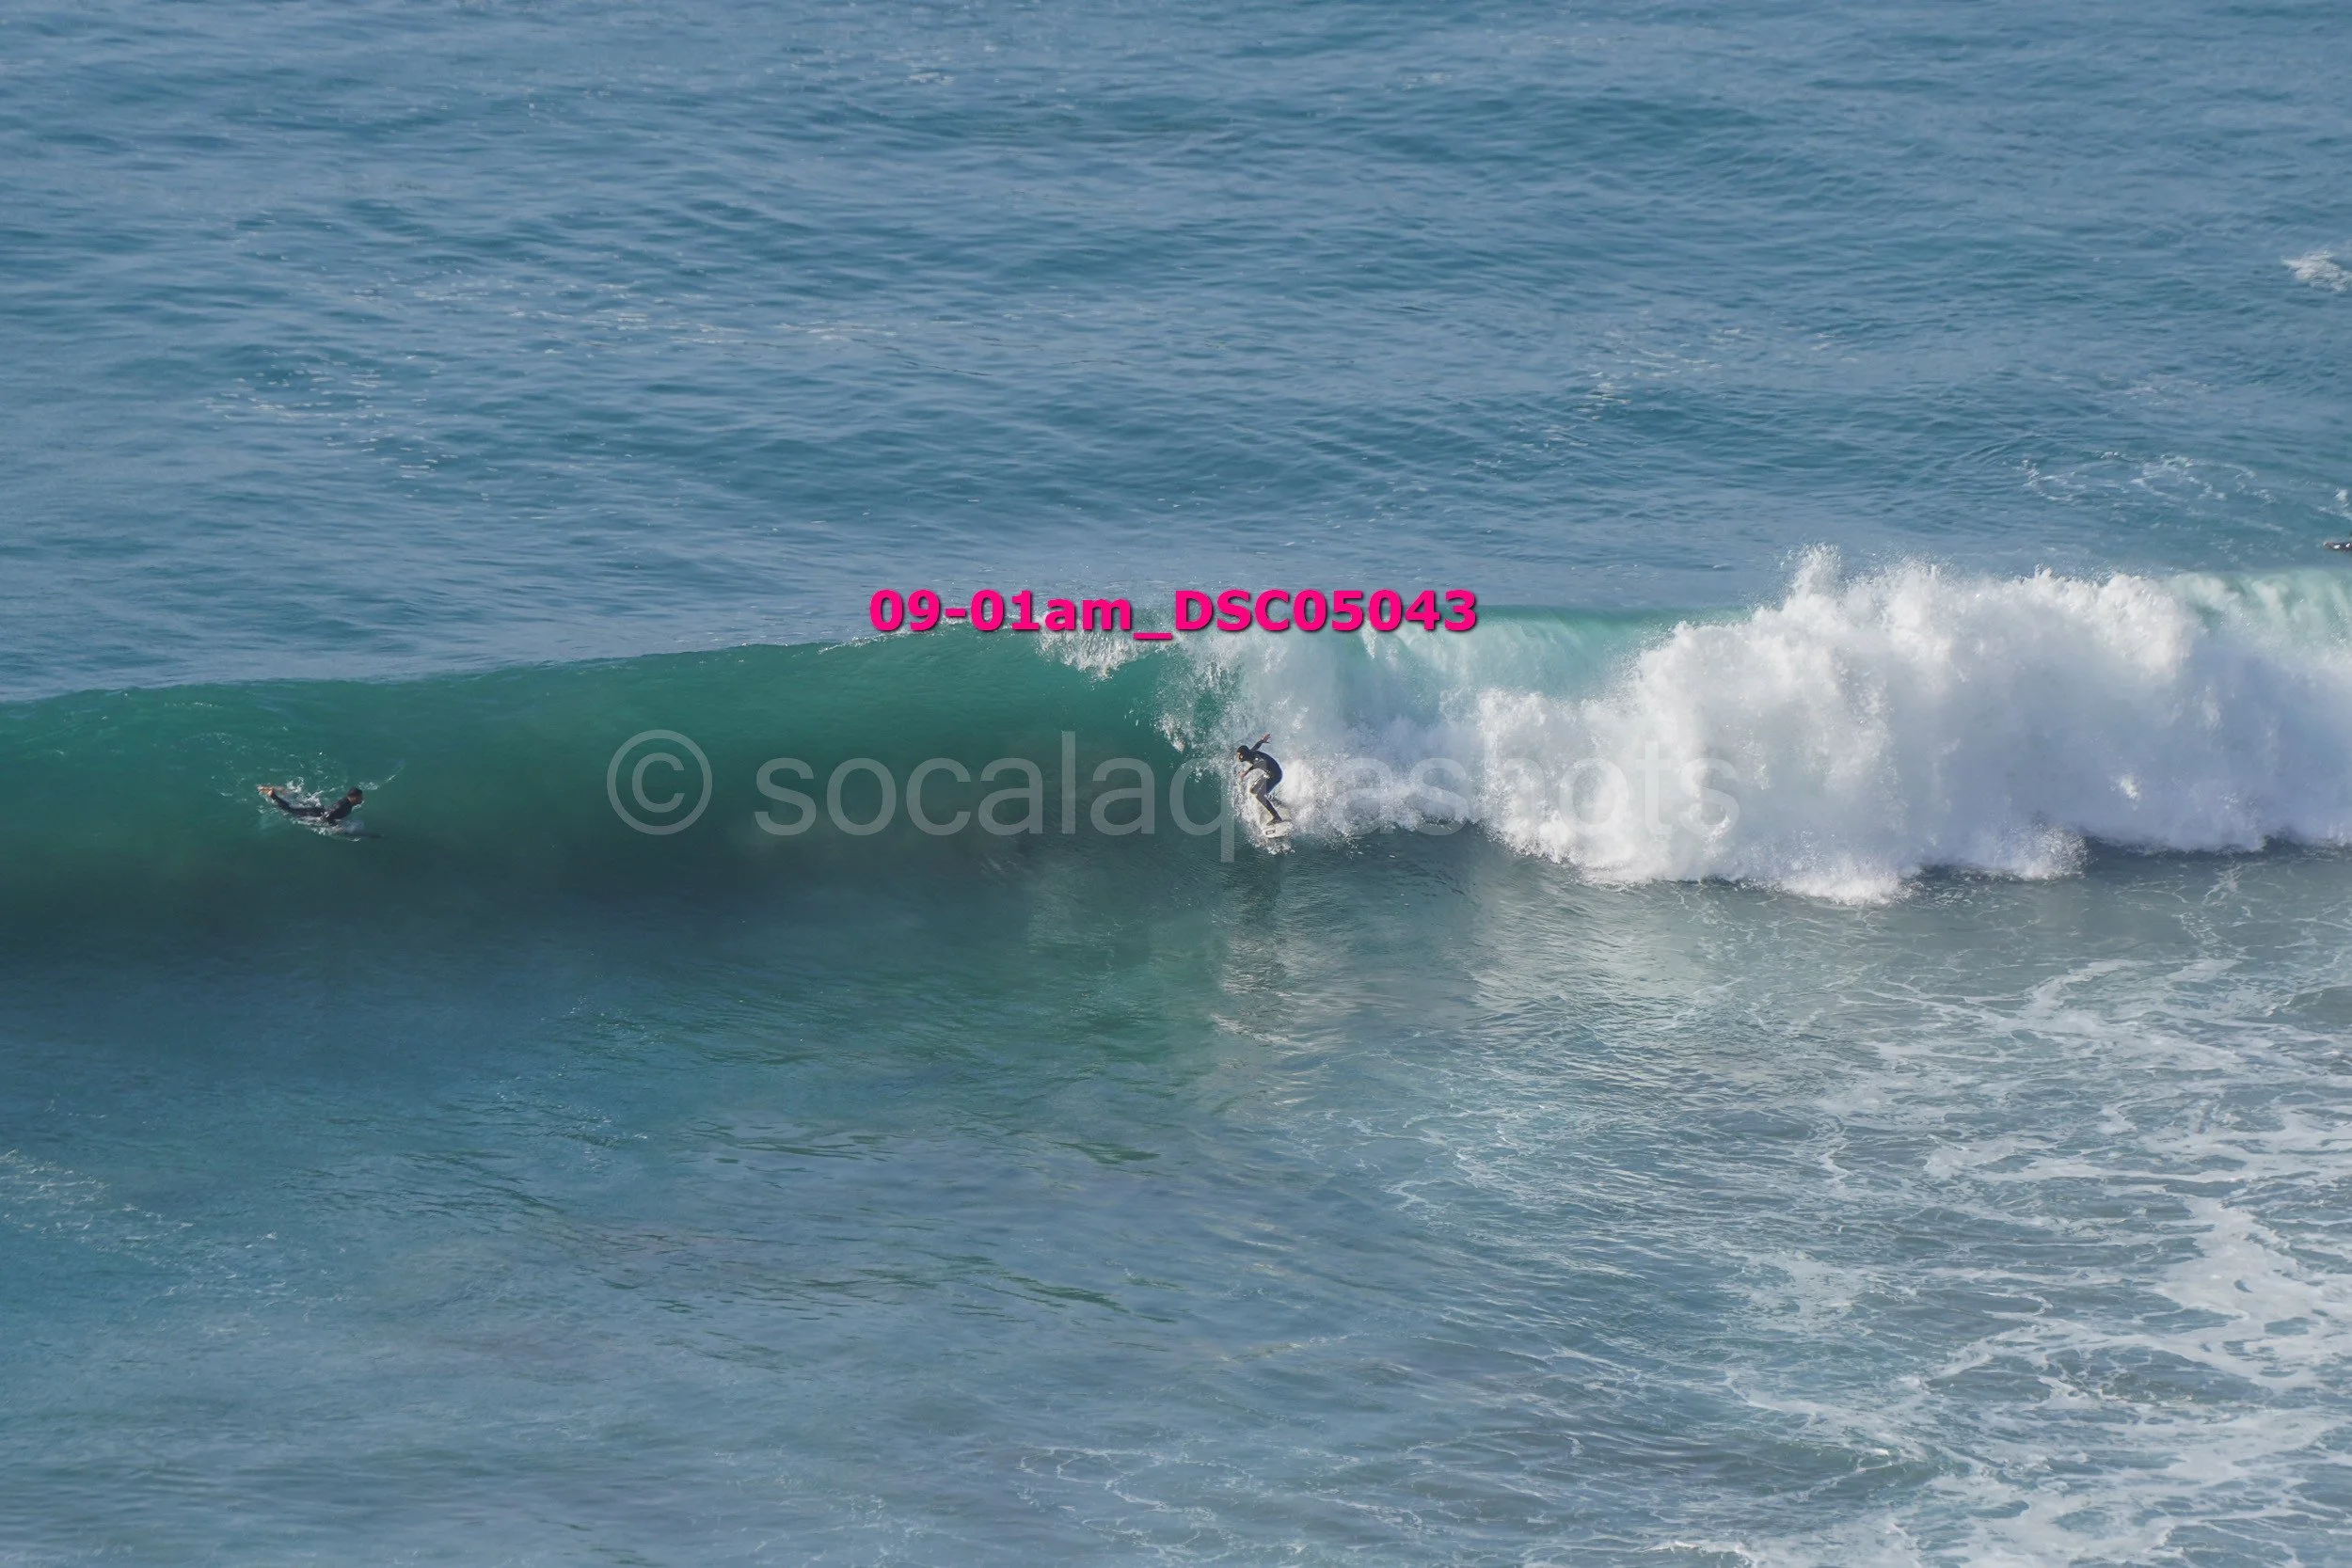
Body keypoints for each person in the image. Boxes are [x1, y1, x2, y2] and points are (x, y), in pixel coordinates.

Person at [1235, 735, 1285, 825]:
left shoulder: (1255, 757)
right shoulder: (1250, 753)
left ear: (1244, 754)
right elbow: (1256, 746)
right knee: (1253, 790)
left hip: (1276, 775)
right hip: (1269, 774)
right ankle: (1276, 802)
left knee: (1259, 796)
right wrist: (1262, 740)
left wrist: (1246, 772)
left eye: (1239, 755)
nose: (1238, 758)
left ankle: (1276, 817)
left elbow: (1261, 763)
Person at [262, 784, 363, 826]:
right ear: (354, 797)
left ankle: (282, 791)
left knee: (297, 804)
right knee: (290, 810)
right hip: (315, 814)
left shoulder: (347, 803)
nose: (362, 799)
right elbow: (328, 816)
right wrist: (335, 826)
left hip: (319, 810)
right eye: (361, 797)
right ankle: (273, 795)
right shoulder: (343, 805)